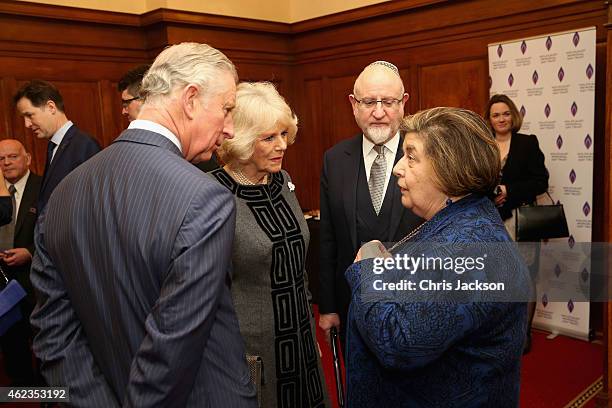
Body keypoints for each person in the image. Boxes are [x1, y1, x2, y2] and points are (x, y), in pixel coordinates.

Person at [29, 42, 257, 407]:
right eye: (227, 109)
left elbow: (54, 334)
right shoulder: (204, 198)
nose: (229, 128)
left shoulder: (63, 193)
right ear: (191, 99)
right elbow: (174, 346)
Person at [344, 107, 530, 407]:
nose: (397, 168)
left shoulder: (469, 247)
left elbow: (400, 343)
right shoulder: (465, 223)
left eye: (411, 156)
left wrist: (368, 272)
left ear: (449, 168)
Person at [211, 82, 329, 408]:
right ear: (243, 141)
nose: (282, 146)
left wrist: (309, 328)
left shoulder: (281, 181)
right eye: (269, 138)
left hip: (302, 343)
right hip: (253, 354)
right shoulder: (213, 195)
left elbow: (296, 263)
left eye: (283, 135)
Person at [319, 61, 422, 345]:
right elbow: (327, 240)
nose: (378, 112)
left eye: (388, 102)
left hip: (415, 306)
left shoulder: (428, 157)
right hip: (351, 305)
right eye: (368, 102)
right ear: (353, 104)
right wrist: (327, 305)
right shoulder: (335, 159)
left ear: (403, 103)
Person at [485, 93, 548, 353]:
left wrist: (508, 190)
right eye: (496, 114)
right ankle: (501, 331)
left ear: (513, 115)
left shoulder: (527, 143)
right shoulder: (482, 145)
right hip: (491, 222)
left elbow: (540, 182)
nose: (501, 118)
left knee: (525, 277)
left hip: (522, 221)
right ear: (489, 119)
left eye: (506, 113)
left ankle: (524, 334)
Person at [13, 80, 101, 211]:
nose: (27, 124)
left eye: (30, 115)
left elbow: (93, 203)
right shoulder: (54, 146)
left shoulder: (84, 145)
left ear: (51, 107)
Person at [118, 64, 218, 171]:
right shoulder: (129, 148)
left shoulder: (189, 142)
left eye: (126, 104)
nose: (123, 111)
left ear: (146, 98)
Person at [0, 139, 41, 386]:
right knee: (14, 352)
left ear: (27, 158)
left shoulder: (44, 186)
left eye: (12, 157)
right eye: (1, 159)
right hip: (4, 287)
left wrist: (31, 252)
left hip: (36, 282)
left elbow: (58, 232)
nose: (6, 163)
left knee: (46, 348)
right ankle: (23, 392)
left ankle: (49, 397)